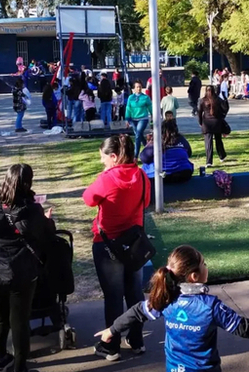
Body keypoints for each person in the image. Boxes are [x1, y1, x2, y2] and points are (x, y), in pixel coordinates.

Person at [95, 245, 249, 370]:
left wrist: (112, 330)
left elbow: (137, 311)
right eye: (204, 264)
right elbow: (245, 327)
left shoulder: (165, 299)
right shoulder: (210, 306)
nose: (207, 266)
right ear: (194, 276)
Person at [0, 164, 56, 372]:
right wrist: (47, 221)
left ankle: (0, 358)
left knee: (0, 317)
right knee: (20, 322)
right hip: (20, 273)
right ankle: (20, 367)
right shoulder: (32, 211)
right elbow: (45, 234)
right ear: (28, 183)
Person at [83, 135, 151, 361]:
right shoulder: (141, 175)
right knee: (134, 293)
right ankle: (136, 339)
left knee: (113, 297)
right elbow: (147, 201)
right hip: (134, 244)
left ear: (113, 157)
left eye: (103, 157)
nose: (102, 162)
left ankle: (111, 347)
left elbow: (88, 199)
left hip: (108, 245)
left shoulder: (107, 179)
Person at [140, 119, 193, 184]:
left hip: (160, 176)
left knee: (145, 166)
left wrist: (149, 143)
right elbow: (189, 153)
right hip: (184, 173)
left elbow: (144, 158)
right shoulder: (181, 139)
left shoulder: (156, 142)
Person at [198, 86, 229, 167]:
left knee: (208, 143)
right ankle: (222, 156)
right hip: (217, 122)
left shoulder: (203, 100)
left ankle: (209, 161)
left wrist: (200, 122)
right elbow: (225, 109)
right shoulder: (218, 99)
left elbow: (199, 112)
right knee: (218, 140)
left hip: (207, 123)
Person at [126, 81, 153, 159]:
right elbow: (128, 109)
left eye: (140, 87)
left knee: (137, 135)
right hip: (133, 119)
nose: (139, 88)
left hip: (143, 119)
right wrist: (127, 119)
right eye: (137, 87)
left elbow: (150, 108)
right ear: (134, 88)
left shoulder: (145, 97)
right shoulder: (131, 97)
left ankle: (135, 156)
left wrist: (153, 116)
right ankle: (147, 147)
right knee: (139, 135)